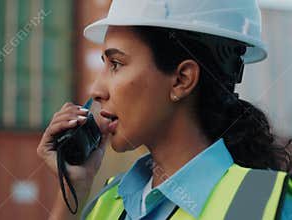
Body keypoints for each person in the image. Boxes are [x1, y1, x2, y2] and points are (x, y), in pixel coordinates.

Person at [37, 0, 292, 219]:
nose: (96, 90)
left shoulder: (260, 202)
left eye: (116, 63)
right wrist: (71, 193)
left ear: (182, 79)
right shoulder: (109, 202)